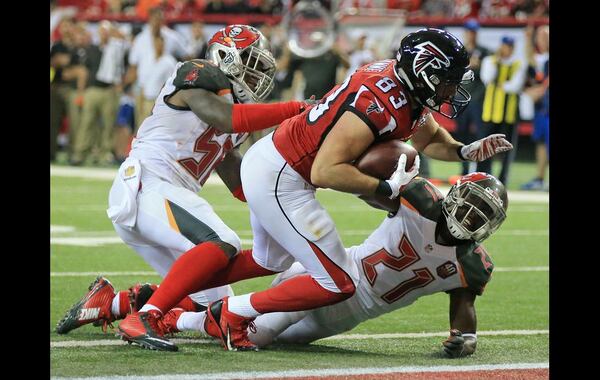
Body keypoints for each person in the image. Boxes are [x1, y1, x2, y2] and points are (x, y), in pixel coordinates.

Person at [114, 28, 512, 352]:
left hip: (276, 166)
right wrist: (384, 186)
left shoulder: (401, 84)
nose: (450, 90)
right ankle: (227, 312)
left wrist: (463, 149)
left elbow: (427, 131)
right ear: (425, 71)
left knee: (270, 261)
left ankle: (147, 301)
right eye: (446, 81)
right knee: (338, 282)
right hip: (284, 174)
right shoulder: (379, 102)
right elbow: (326, 171)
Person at [55, 25, 314, 342]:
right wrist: (296, 109)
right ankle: (146, 318)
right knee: (223, 240)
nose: (258, 75)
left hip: (162, 200)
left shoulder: (237, 116)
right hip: (147, 181)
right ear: (227, 57)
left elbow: (242, 183)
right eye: (253, 63)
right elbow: (225, 118)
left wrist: (288, 188)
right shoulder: (198, 72)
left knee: (212, 302)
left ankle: (113, 302)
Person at [161, 172, 507, 358]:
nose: (471, 217)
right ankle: (177, 318)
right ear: (454, 197)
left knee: (269, 335)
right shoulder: (420, 200)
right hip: (332, 274)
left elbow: (465, 309)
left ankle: (168, 301)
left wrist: (467, 339)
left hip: (346, 316)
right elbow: (368, 190)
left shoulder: (472, 265)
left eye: (482, 215)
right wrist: (389, 186)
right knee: (257, 334)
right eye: (469, 206)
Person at [477, 35, 526, 186]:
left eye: (510, 46)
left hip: (509, 113)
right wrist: (497, 61)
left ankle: (503, 179)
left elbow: (516, 86)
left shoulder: (519, 63)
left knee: (507, 150)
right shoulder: (490, 61)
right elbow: (487, 78)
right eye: (506, 46)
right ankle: (483, 176)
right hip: (490, 112)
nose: (508, 49)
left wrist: (499, 85)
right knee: (486, 147)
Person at [454, 19, 490, 176]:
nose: (471, 35)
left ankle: (482, 172)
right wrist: (469, 64)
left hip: (477, 99)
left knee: (481, 135)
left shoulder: (484, 52)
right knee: (461, 136)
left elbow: (490, 72)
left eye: (474, 31)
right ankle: (463, 172)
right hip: (460, 99)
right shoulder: (458, 52)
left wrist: (479, 65)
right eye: (469, 31)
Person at [520, 25, 549, 191]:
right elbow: (530, 58)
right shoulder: (541, 58)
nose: (542, 40)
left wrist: (537, 91)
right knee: (540, 143)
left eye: (545, 36)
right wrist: (527, 39)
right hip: (542, 109)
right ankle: (539, 178)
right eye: (540, 37)